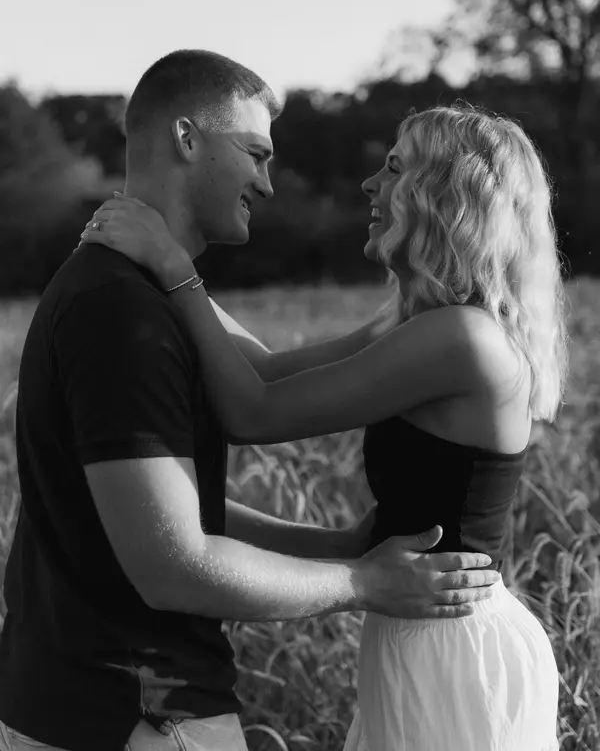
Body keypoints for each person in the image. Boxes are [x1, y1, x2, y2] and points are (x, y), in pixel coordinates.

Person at [0, 52, 499, 751]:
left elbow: (184, 480)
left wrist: (337, 547)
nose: (266, 182)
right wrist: (358, 580)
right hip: (137, 712)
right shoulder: (124, 310)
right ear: (187, 139)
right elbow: (175, 561)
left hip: (95, 704)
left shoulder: (139, 295)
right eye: (256, 154)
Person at [82, 101, 567, 751]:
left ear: (443, 195)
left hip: (455, 645)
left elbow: (253, 411)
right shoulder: (422, 324)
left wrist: (174, 270)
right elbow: (265, 370)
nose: (370, 184)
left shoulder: (462, 337)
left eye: (394, 167)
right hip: (418, 628)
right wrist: (162, 265)